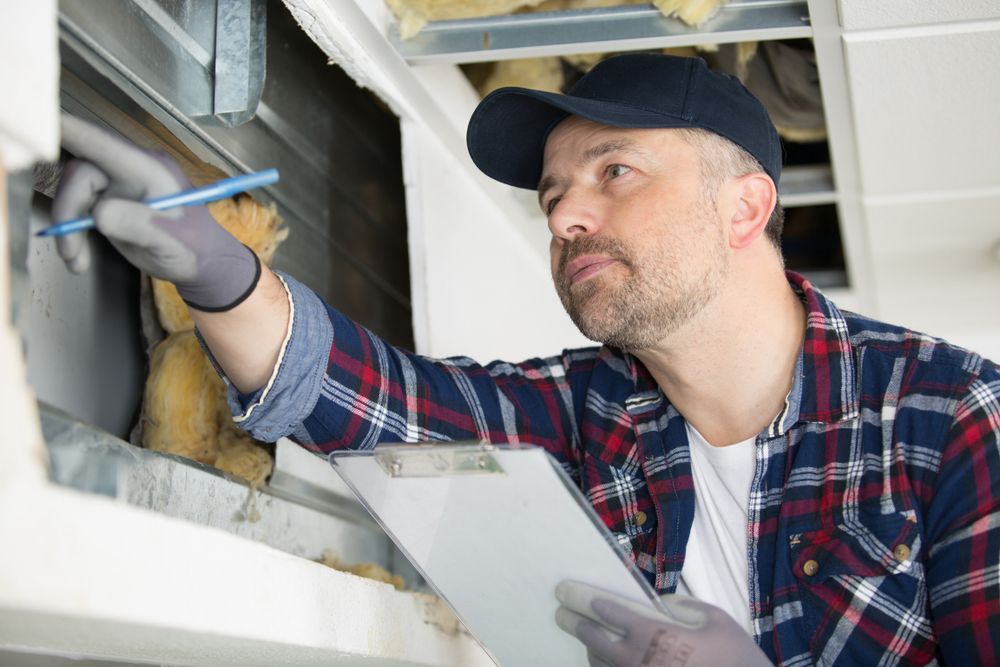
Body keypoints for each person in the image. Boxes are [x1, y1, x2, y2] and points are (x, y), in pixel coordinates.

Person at [52, 54, 999, 666]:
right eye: (553, 192)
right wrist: (215, 267)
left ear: (745, 207)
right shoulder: (590, 414)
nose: (563, 214)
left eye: (613, 172)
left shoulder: (953, 417)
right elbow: (370, 401)